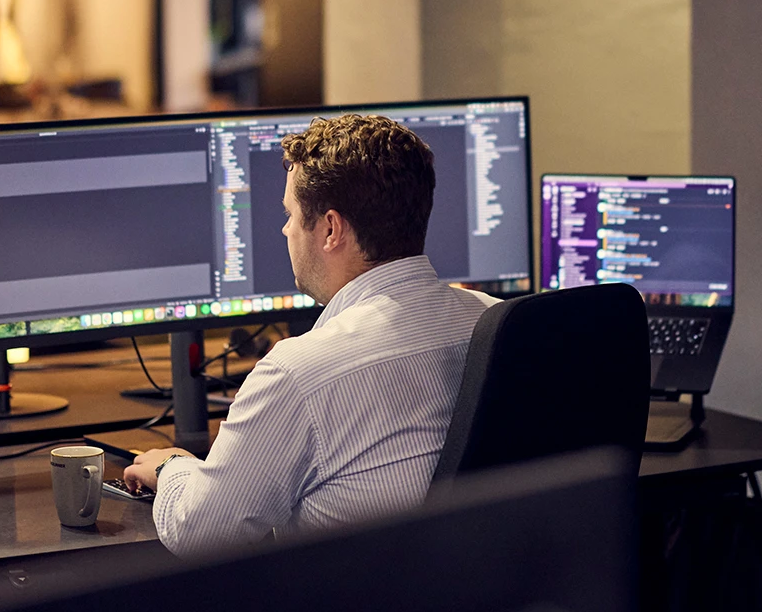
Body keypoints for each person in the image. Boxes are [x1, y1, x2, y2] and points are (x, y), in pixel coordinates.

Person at [123, 113, 499, 558]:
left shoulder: (300, 372)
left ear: (330, 229)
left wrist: (171, 467)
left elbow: (202, 534)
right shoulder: (497, 322)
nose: (285, 229)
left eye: (291, 214)